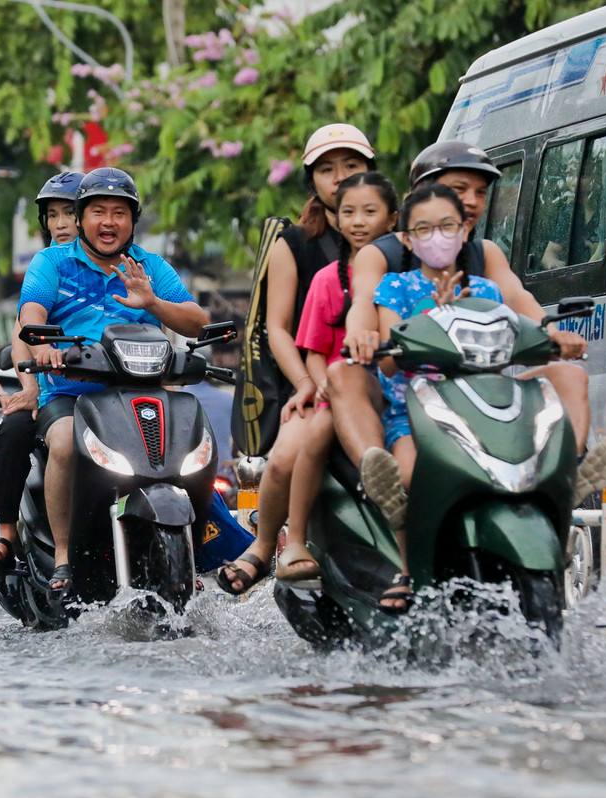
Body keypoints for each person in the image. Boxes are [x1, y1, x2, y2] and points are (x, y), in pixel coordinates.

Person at [334, 140, 606, 527]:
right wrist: (361, 336)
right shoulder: (385, 257)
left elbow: (518, 298)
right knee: (344, 373)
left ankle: (565, 473)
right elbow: (362, 302)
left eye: (480, 193)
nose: (471, 202)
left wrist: (554, 335)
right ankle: (386, 482)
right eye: (459, 190)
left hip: (481, 390)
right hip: (409, 392)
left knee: (569, 375)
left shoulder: (484, 254)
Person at [18, 167, 207, 596]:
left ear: (132, 221)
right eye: (98, 211)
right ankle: (64, 557)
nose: (108, 221)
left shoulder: (150, 267)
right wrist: (44, 347)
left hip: (140, 394)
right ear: (82, 218)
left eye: (119, 212)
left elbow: (197, 322)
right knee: (64, 442)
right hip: (69, 394)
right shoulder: (52, 262)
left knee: (192, 447)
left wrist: (154, 303)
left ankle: (196, 551)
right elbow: (32, 313)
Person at [216, 123, 377, 594]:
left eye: (352, 167)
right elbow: (277, 329)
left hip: (388, 375)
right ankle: (266, 546)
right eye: (329, 169)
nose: (341, 177)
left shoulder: (397, 240)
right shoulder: (295, 245)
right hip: (314, 377)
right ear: (313, 182)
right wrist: (306, 384)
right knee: (286, 456)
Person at [363, 184, 510, 610]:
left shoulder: (487, 291)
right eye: (423, 229)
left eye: (447, 226)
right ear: (407, 239)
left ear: (465, 229)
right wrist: (438, 316)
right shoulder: (395, 288)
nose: (437, 237)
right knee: (408, 477)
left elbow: (497, 358)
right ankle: (407, 570)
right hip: (415, 409)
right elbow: (389, 363)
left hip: (480, 407)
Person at [275, 171, 399, 585]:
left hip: (398, 387)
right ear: (337, 218)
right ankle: (290, 539)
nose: (359, 221)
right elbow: (311, 349)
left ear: (393, 219)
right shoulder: (329, 279)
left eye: (370, 211)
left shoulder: (410, 276)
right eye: (349, 212)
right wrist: (318, 382)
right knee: (309, 440)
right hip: (339, 386)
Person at [0, 174, 83, 570]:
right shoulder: (47, 264)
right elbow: (25, 329)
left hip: (111, 392)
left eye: (68, 213)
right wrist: (31, 386)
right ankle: (8, 533)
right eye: (52, 215)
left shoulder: (126, 264)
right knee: (14, 430)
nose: (59, 224)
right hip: (57, 391)